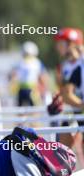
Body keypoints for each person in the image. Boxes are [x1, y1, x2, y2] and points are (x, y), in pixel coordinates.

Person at [51, 27, 84, 168]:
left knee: (61, 155)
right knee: (61, 155)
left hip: (78, 110)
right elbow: (65, 93)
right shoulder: (64, 66)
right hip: (73, 112)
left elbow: (68, 94)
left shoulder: (80, 63)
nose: (57, 47)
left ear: (72, 43)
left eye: (61, 43)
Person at [10, 41, 48, 107]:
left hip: (22, 90)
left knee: (21, 111)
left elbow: (13, 76)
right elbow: (42, 77)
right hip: (33, 90)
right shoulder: (37, 62)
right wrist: (44, 89)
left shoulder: (19, 62)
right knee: (34, 110)